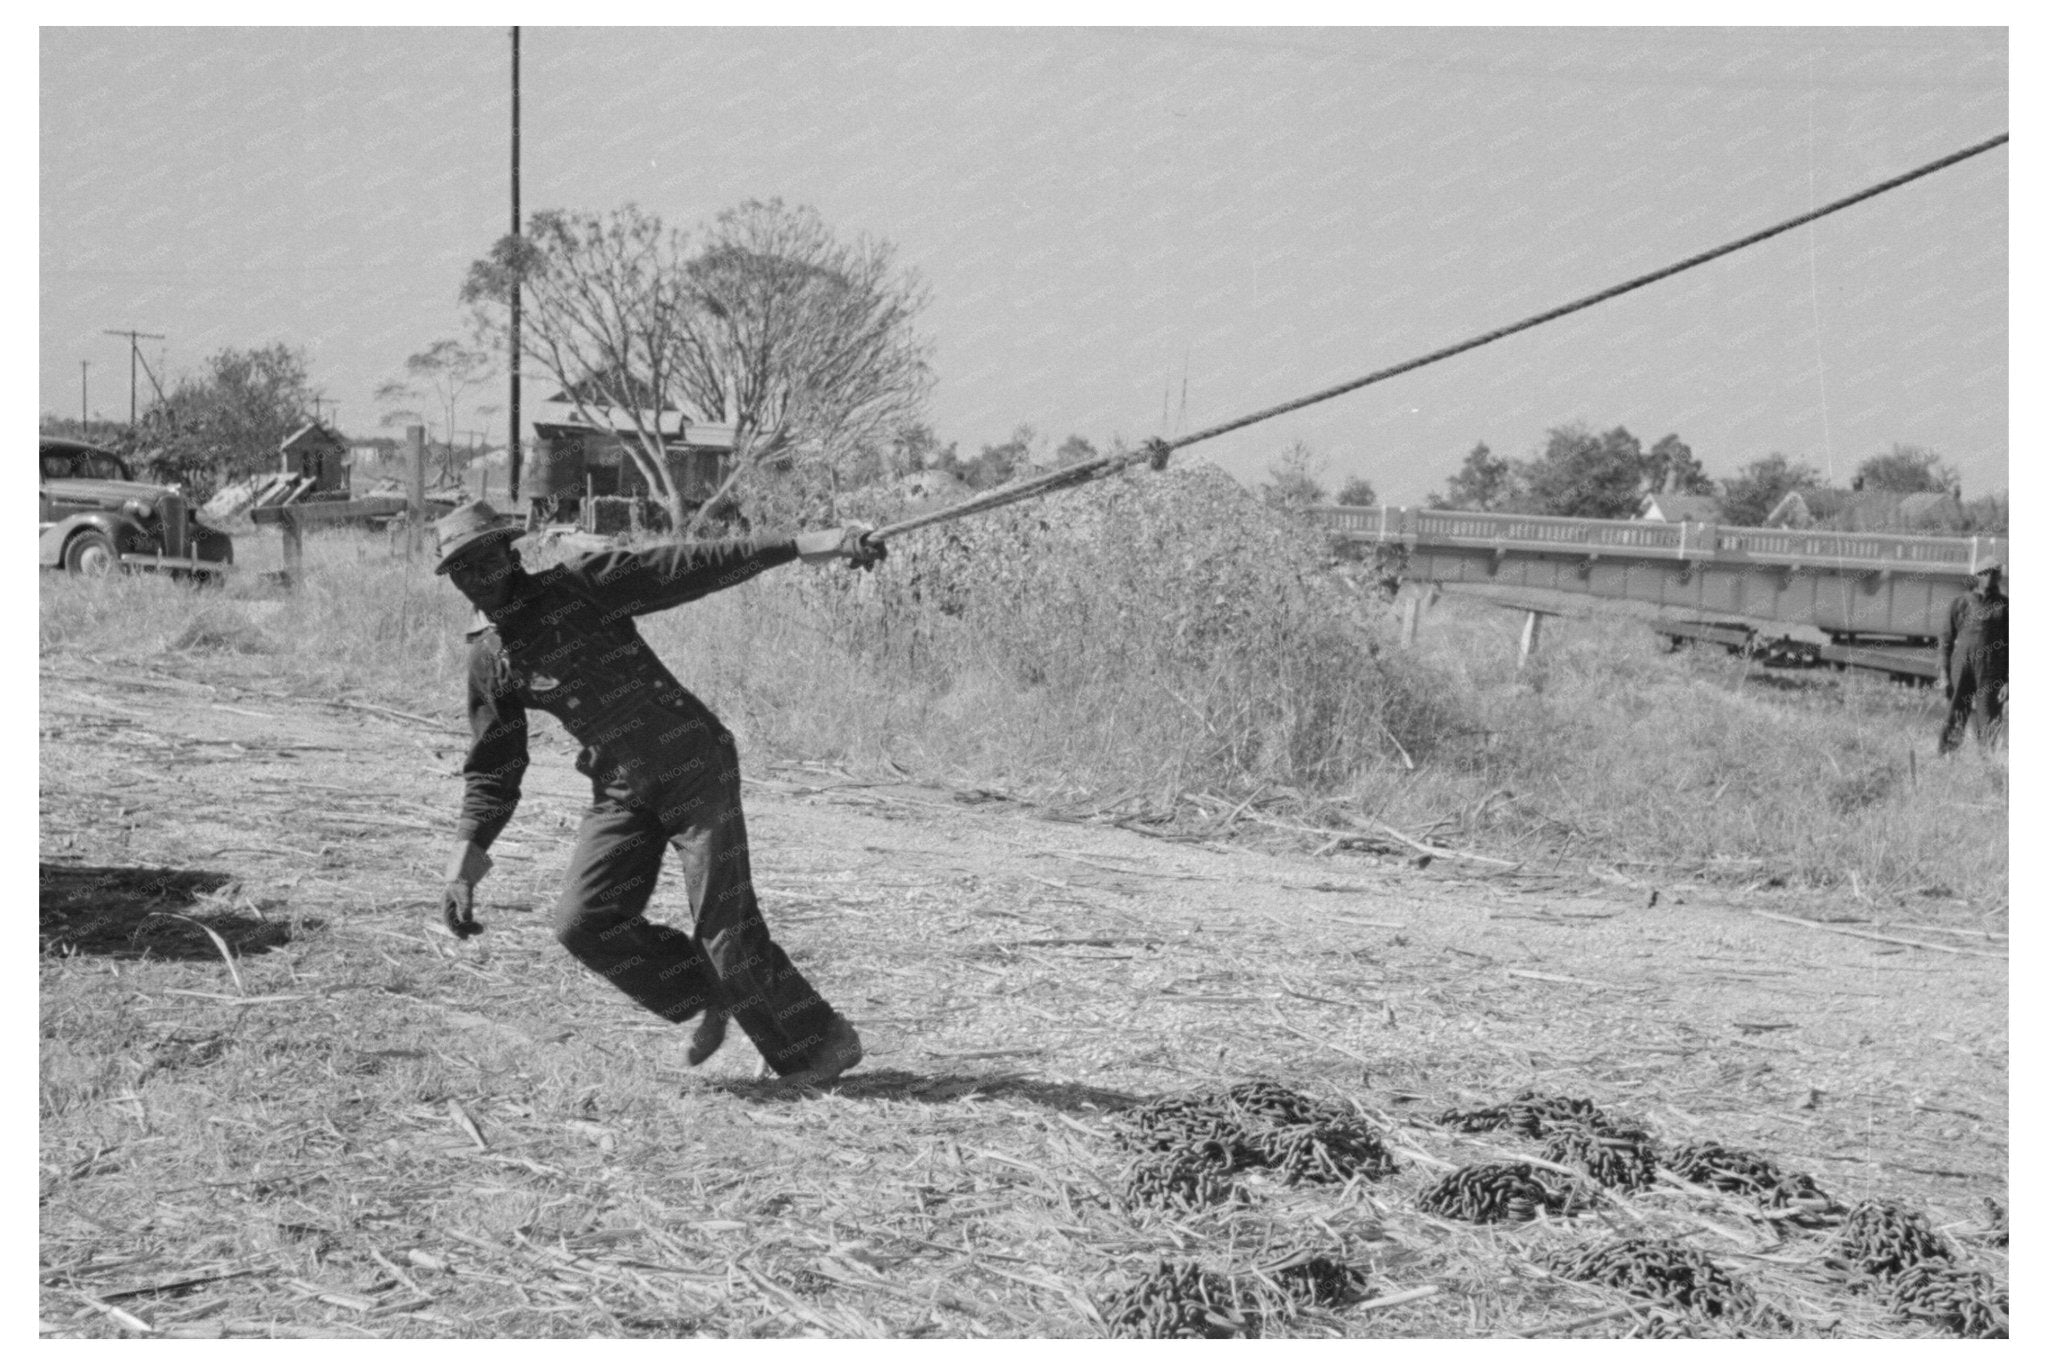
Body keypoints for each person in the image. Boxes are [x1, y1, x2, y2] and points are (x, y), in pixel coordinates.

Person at [431, 500, 884, 1084]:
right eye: (462, 569)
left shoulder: (583, 587)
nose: (478, 577)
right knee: (583, 921)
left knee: (726, 931)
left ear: (510, 554)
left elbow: (690, 565)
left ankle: (818, 1046)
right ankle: (708, 995)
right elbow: (495, 764)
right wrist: (462, 864)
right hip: (622, 789)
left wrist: (806, 543)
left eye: (485, 559)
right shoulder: (489, 658)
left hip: (694, 766)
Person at [1937, 561, 2007, 755]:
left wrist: (2007, 681)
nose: (1989, 577)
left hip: (1991, 671)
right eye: (1985, 573)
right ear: (1977, 575)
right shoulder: (1960, 603)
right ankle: (1947, 758)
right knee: (1955, 713)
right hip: (1962, 667)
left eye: (1994, 574)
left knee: (1989, 717)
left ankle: (1989, 765)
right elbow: (1945, 639)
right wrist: (1943, 672)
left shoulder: (2005, 606)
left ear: (1999, 577)